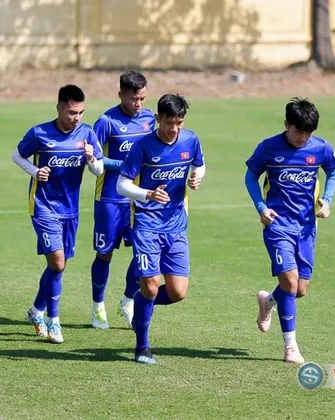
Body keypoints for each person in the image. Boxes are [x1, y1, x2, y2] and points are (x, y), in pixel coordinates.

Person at [245, 97, 335, 364]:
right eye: (298, 131)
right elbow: (251, 176)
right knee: (289, 282)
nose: (302, 138)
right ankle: (290, 347)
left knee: (299, 289)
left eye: (308, 133)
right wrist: (261, 207)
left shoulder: (320, 148)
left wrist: (328, 199)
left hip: (307, 226)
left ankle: (268, 301)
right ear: (286, 124)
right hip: (277, 224)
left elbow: (333, 171)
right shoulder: (268, 148)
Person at [116, 93, 205, 364]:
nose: (174, 128)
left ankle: (138, 300)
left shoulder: (191, 140)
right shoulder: (143, 147)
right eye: (169, 122)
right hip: (146, 225)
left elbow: (200, 166)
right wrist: (147, 195)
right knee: (153, 287)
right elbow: (122, 184)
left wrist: (196, 178)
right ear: (157, 119)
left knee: (178, 292)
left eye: (179, 122)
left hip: (176, 225)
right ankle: (142, 346)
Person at [12, 84, 104, 344]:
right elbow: (17, 155)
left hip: (70, 210)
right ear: (60, 108)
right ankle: (54, 322)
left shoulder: (87, 133)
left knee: (57, 267)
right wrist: (34, 171)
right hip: (43, 206)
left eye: (81, 112)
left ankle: (35, 311)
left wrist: (90, 159)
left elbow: (98, 171)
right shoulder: (40, 132)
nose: (77, 118)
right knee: (58, 263)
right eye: (72, 112)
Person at [90, 71, 155, 329]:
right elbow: (94, 158)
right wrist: (127, 164)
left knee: (142, 252)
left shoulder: (150, 119)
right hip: (109, 198)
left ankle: (127, 301)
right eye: (133, 98)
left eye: (142, 98)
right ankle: (97, 308)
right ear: (121, 95)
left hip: (140, 198)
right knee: (104, 254)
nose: (138, 103)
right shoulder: (106, 121)